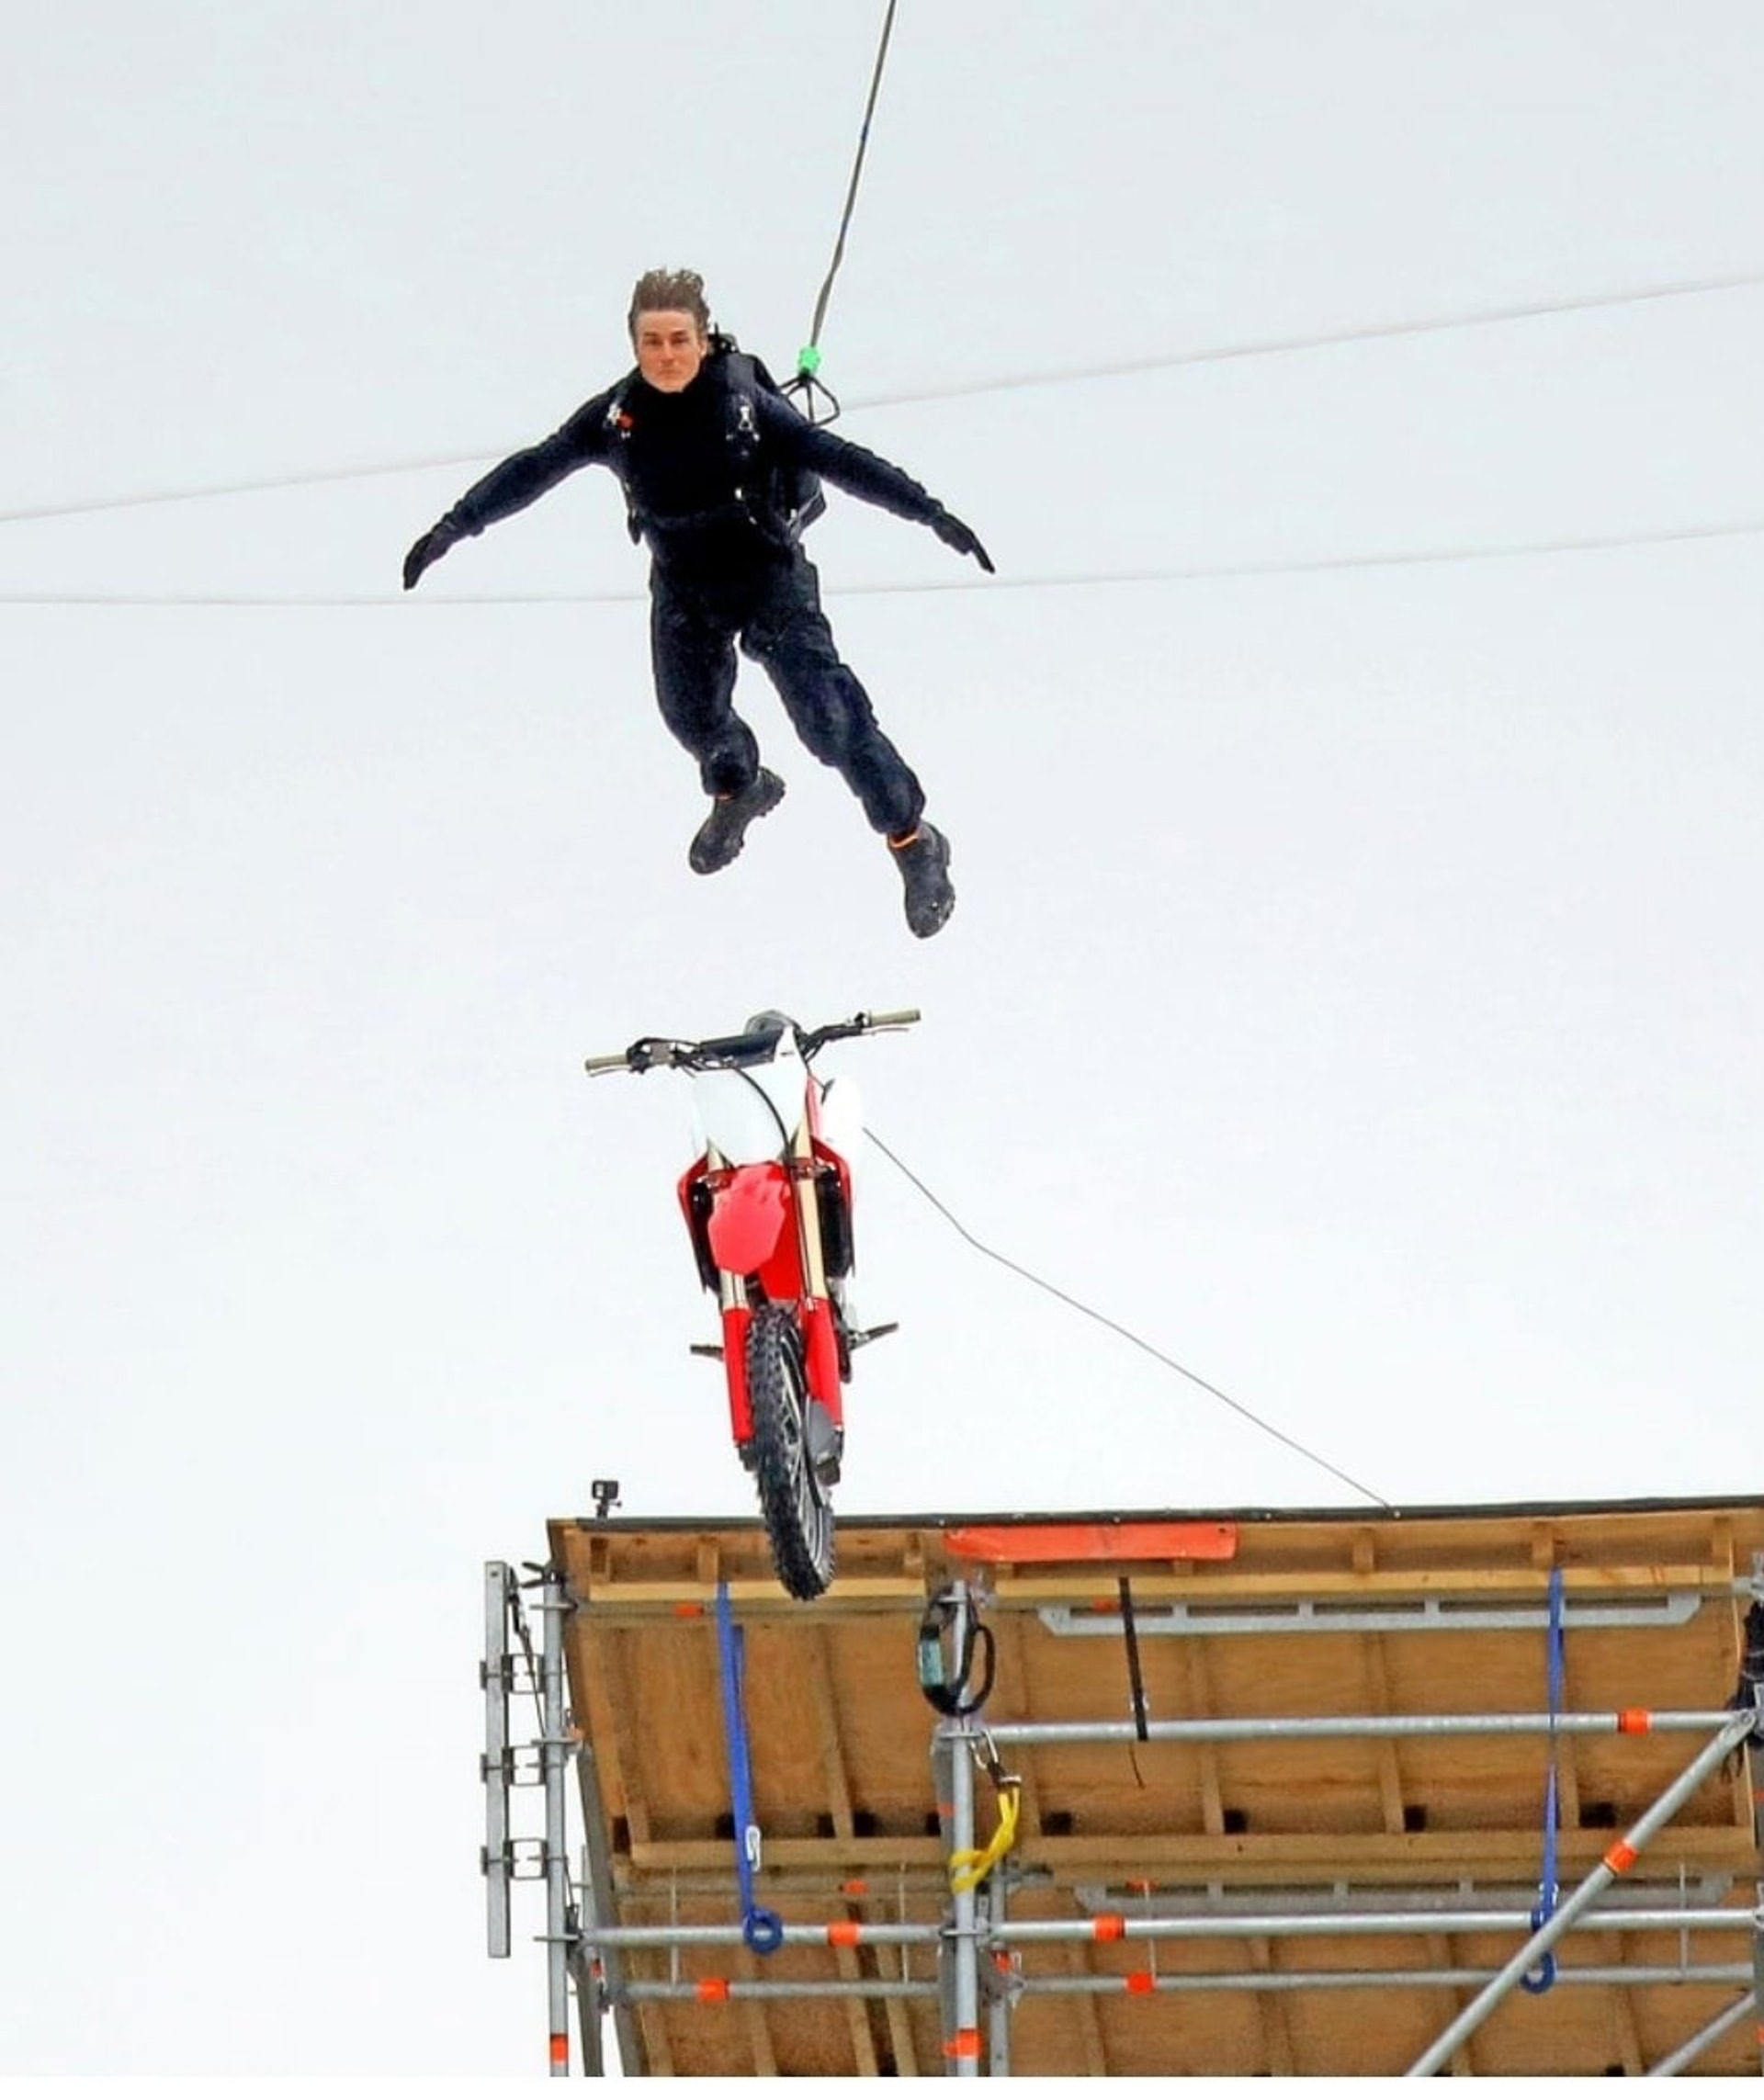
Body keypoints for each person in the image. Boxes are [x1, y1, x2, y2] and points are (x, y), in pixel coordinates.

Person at [403, 267, 992, 937]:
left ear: (704, 339)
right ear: (634, 345)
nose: (666, 355)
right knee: (689, 714)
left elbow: (831, 454)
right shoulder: (615, 416)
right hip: (683, 582)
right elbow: (535, 467)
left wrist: (928, 512)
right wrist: (456, 525)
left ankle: (914, 841)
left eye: (679, 339)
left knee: (828, 719)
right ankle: (741, 788)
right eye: (651, 341)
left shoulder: (741, 403)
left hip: (767, 575)